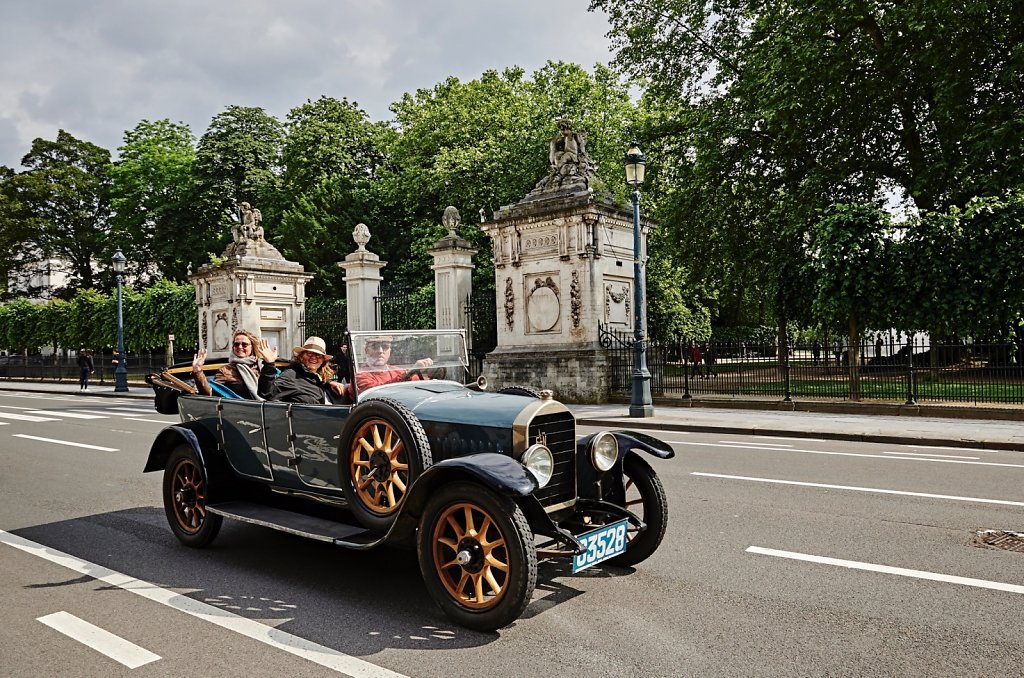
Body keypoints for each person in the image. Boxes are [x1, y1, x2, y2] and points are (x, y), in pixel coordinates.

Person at [192, 330, 278, 399]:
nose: (240, 347)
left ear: (252, 347)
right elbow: (211, 394)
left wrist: (269, 363)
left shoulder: (263, 366)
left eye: (244, 344)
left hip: (267, 410)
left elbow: (273, 392)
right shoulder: (225, 370)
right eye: (236, 344)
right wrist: (198, 370)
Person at [267, 336, 347, 404]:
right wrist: (269, 364)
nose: (313, 357)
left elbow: (311, 383)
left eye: (318, 355)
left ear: (323, 360)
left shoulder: (319, 379)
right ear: (301, 356)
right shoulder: (292, 375)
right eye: (309, 353)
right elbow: (269, 393)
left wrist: (329, 383)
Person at [355, 335, 434, 392]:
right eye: (375, 346)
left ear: (390, 351)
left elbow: (418, 383)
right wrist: (409, 372)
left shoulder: (397, 371)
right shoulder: (360, 374)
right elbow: (377, 392)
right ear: (367, 351)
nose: (380, 351)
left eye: (385, 347)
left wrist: (432, 379)